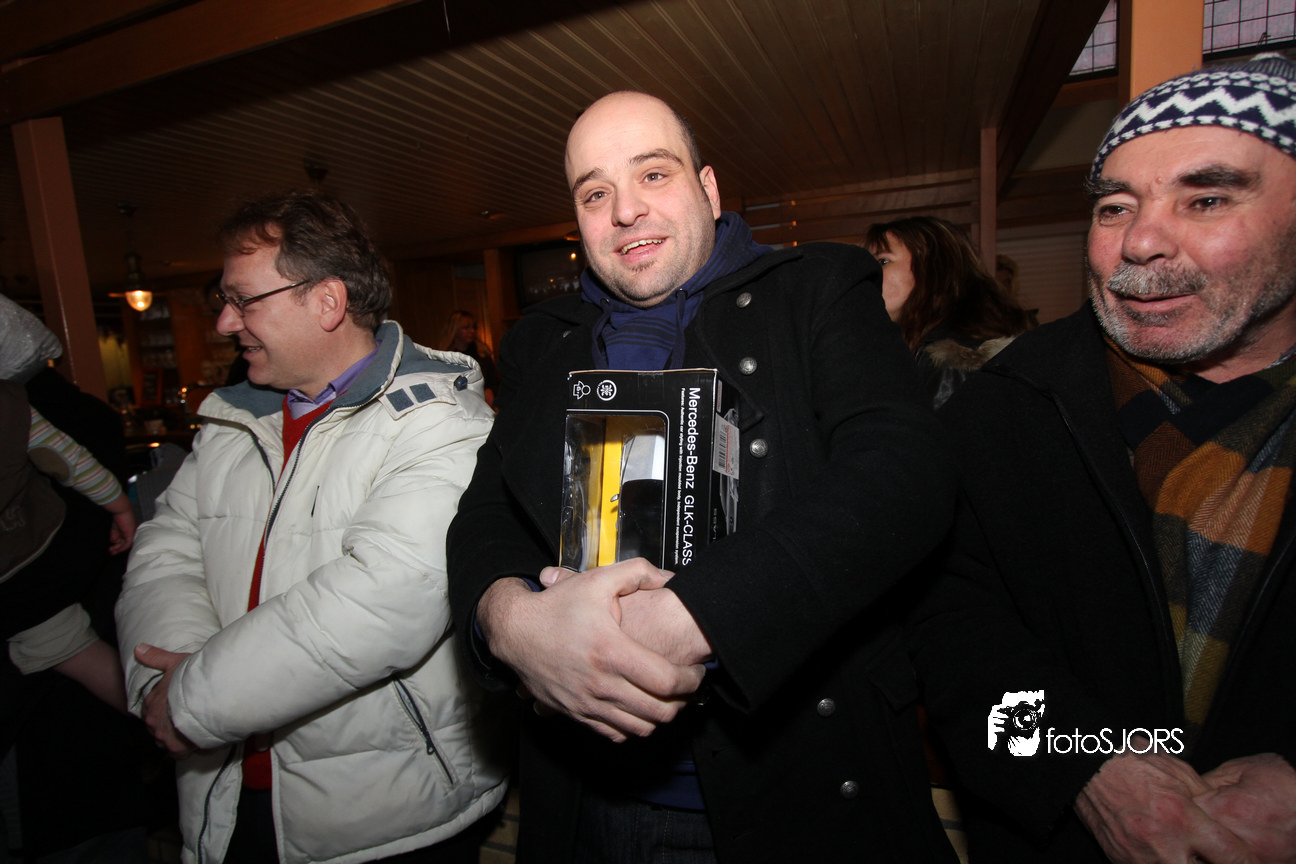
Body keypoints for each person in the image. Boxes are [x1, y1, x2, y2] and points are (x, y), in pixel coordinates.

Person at [447, 91, 959, 862]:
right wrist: (511, 622)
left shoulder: (817, 289)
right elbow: (487, 514)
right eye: (595, 193)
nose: (626, 210)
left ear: (709, 189)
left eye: (653, 174)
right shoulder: (539, 344)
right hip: (591, 801)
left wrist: (698, 616)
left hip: (800, 798)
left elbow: (902, 474)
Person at [910, 53, 1296, 863]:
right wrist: (1081, 768)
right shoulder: (1007, 404)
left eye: (1207, 199)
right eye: (1115, 207)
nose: (1142, 242)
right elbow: (949, 636)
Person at [114, 190, 508, 864]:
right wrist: (165, 682)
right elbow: (166, 553)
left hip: (386, 820)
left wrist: (193, 700)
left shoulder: (439, 421)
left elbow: (383, 600)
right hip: (224, 795)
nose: (224, 323)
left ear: (326, 302)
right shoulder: (236, 420)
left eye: (243, 301)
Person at [865, 217, 1034, 408]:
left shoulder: (954, 361)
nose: (867, 274)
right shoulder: (913, 351)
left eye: (883, 261)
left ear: (933, 268)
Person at [439, 310, 500, 406]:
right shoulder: (446, 357)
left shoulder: (482, 355)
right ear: (454, 329)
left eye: (474, 327)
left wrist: (490, 392)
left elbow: (493, 383)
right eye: (466, 327)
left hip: (482, 402)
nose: (471, 331)